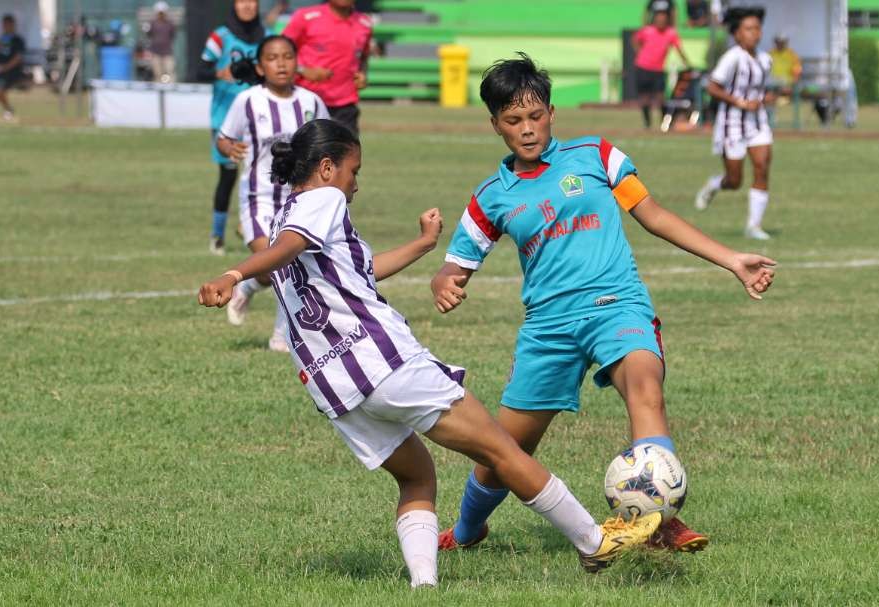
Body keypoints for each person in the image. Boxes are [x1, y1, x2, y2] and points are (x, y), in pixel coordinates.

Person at [197, 118, 663, 587]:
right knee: (502, 450)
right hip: (385, 363)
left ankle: (424, 587)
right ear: (325, 167)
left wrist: (422, 245)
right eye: (353, 171)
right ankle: (594, 544)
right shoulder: (324, 200)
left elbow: (356, 271)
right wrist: (233, 276)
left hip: (334, 385)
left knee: (417, 478)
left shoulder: (286, 214)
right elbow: (291, 247)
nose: (355, 184)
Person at [431, 54, 776, 554]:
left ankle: (657, 518)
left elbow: (652, 214)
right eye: (513, 121)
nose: (527, 130)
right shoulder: (492, 197)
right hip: (549, 327)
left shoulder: (598, 155)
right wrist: (444, 282)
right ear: (495, 125)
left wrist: (731, 259)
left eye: (535, 116)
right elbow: (456, 265)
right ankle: (466, 531)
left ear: (551, 112)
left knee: (645, 387)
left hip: (618, 305)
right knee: (504, 452)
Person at [215, 34, 330, 353]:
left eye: (287, 57)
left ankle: (255, 297)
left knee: (283, 265)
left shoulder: (311, 102)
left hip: (299, 201)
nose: (281, 63)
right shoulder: (248, 101)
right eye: (272, 58)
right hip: (258, 199)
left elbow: (326, 142)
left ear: (297, 62)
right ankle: (279, 331)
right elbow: (223, 138)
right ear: (261, 67)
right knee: (277, 263)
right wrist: (230, 147)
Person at [694, 7, 776, 240]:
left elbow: (758, 91)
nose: (755, 33)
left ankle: (754, 225)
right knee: (734, 180)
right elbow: (712, 86)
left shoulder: (764, 59)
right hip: (731, 125)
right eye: (748, 29)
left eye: (757, 28)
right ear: (737, 34)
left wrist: (765, 99)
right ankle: (714, 184)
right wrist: (739, 102)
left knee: (762, 166)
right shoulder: (732, 58)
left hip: (758, 122)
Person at [200, 0, 266, 255]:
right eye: (242, 1)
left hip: (259, 120)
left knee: (262, 176)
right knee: (227, 177)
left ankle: (249, 225)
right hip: (225, 121)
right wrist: (219, 72)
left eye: (252, 1)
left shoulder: (267, 37)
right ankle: (217, 236)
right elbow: (199, 70)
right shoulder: (220, 36)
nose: (248, 6)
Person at [282, 0, 373, 135]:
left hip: (345, 107)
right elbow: (279, 51)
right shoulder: (306, 17)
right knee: (305, 153)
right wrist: (303, 70)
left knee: (346, 154)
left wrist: (363, 74)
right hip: (307, 103)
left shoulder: (364, 23)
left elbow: (363, 57)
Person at [632, 2, 689, 129]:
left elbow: (679, 49)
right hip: (643, 67)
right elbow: (635, 39)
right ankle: (647, 123)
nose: (661, 21)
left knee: (661, 98)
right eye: (658, 19)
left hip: (658, 70)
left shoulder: (670, 33)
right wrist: (639, 52)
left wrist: (687, 63)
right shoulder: (647, 30)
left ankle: (665, 123)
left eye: (663, 19)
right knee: (644, 98)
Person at [0, 14, 25, 120]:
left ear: (13, 25)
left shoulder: (18, 40)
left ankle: (8, 109)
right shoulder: (2, 39)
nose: (6, 27)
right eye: (4, 24)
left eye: (8, 24)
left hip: (13, 72)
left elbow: (18, 58)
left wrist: (5, 67)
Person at [147, 2, 177, 83]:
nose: (161, 15)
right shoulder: (152, 23)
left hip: (167, 52)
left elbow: (172, 35)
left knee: (169, 71)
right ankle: (157, 91)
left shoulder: (170, 24)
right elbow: (149, 35)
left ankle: (171, 89)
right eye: (159, 13)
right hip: (155, 52)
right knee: (157, 73)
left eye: (162, 13)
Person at [769, 33, 801, 99]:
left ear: (785, 43)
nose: (780, 44)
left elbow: (797, 71)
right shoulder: (770, 54)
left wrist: (793, 84)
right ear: (775, 42)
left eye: (782, 42)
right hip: (772, 82)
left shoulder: (791, 54)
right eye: (778, 42)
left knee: (786, 90)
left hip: (787, 83)